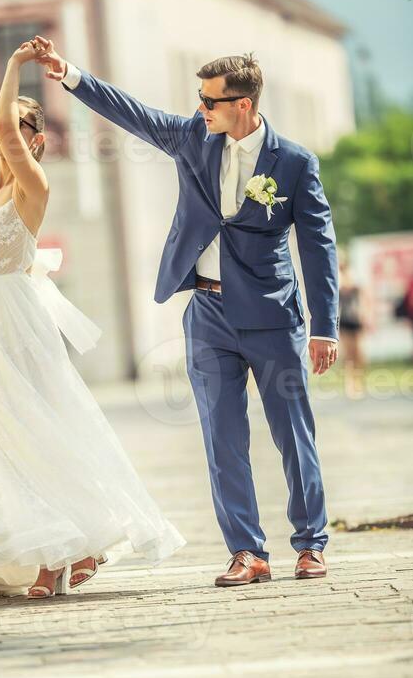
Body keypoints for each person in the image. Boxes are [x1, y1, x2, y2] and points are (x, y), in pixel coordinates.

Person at [33, 38, 338, 585]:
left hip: (272, 317)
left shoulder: (294, 164)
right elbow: (134, 114)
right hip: (207, 313)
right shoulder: (193, 137)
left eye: (210, 101)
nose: (200, 108)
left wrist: (325, 328)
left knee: (293, 434)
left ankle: (311, 543)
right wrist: (71, 76)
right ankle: (247, 551)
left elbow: (318, 248)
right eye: (200, 99)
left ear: (242, 104)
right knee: (222, 440)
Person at [0, 40, 185, 599]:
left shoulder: (34, 188)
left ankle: (59, 556)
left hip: (14, 322)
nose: (2, 136)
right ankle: (55, 546)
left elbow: (6, 130)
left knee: (33, 429)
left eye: (18, 127)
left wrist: (13, 65)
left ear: (36, 139)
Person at [338, 255, 367, 398]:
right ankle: (350, 385)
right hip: (344, 320)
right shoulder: (337, 279)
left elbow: (362, 297)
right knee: (349, 354)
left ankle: (358, 383)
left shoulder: (354, 277)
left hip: (355, 319)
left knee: (358, 354)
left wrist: (365, 315)